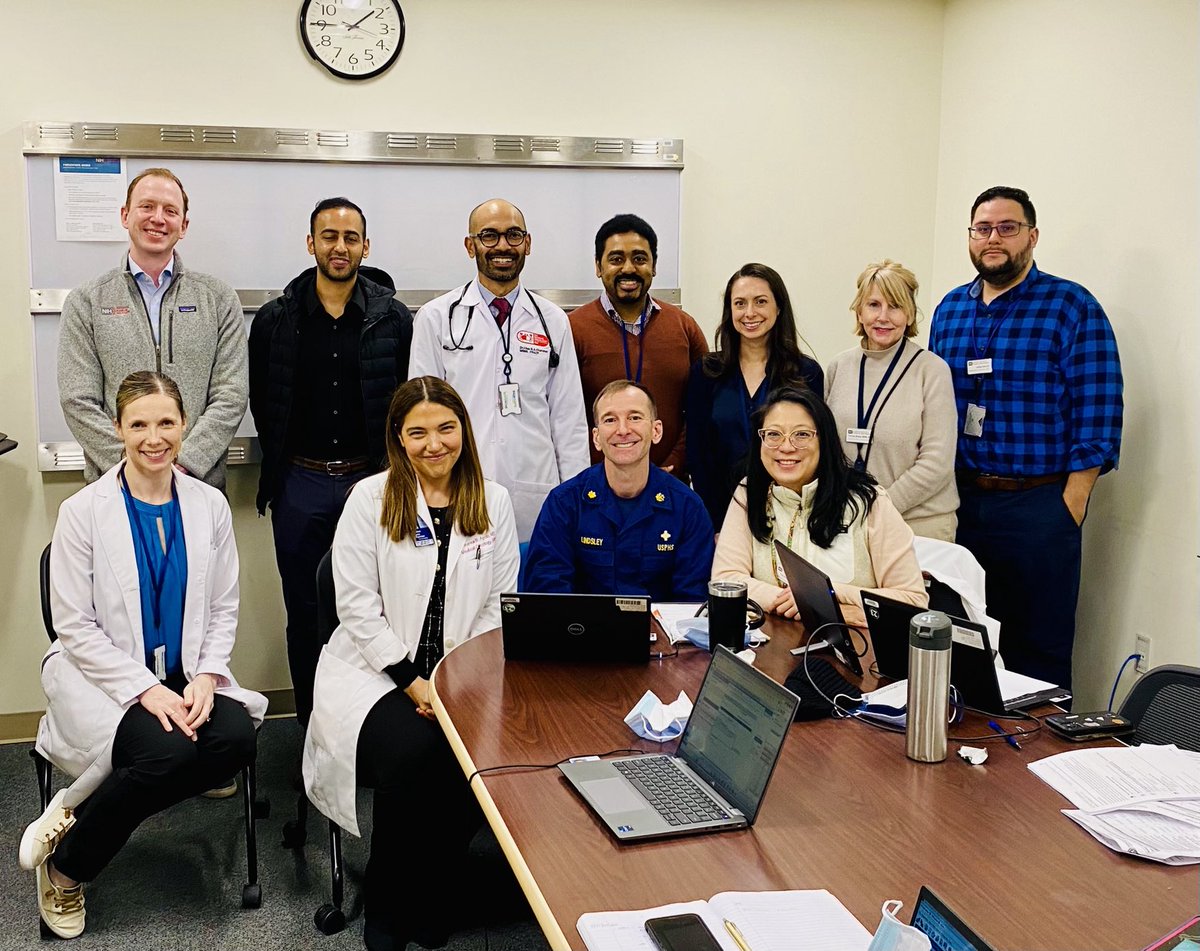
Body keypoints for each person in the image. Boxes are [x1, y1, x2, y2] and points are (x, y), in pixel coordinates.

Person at [19, 371, 267, 939]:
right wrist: (145, 689)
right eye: (138, 424)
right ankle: (67, 869)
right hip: (105, 679)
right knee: (168, 756)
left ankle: (77, 814)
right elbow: (74, 627)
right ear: (117, 429)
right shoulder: (84, 511)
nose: (153, 438)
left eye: (166, 423)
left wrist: (206, 675)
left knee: (234, 738)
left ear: (184, 426)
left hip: (185, 675)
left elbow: (224, 606)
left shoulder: (209, 505)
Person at [303, 376, 519, 951]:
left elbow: (497, 609)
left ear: (464, 432)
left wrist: (453, 685)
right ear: (398, 439)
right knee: (416, 754)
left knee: (485, 756)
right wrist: (413, 682)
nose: (434, 444)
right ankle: (389, 902)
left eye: (446, 428)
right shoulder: (370, 499)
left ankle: (432, 889)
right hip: (374, 678)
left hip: (464, 677)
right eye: (417, 432)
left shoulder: (491, 501)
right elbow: (355, 608)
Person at [929, 186, 1123, 690]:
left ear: (1032, 236)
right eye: (982, 228)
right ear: (970, 237)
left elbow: (1099, 410)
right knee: (962, 642)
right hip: (961, 502)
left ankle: (1039, 765)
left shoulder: (1071, 307)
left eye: (1007, 228)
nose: (993, 238)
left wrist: (1072, 501)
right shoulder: (949, 310)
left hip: (1039, 506)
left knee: (1038, 649)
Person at [249, 197, 412, 726]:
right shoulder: (277, 319)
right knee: (305, 610)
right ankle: (312, 727)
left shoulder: (393, 319)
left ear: (366, 246)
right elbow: (262, 398)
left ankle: (368, 726)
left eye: (350, 238)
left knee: (375, 610)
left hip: (373, 483)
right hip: (300, 481)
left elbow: (409, 399)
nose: (339, 247)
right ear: (311, 243)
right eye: (328, 236)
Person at [408, 198, 589, 542]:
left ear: (528, 243)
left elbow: (569, 422)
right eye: (489, 236)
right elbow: (420, 416)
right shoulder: (437, 318)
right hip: (459, 489)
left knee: (532, 589)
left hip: (537, 496)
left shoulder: (553, 321)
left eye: (513, 235)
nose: (502, 246)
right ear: (470, 245)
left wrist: (575, 500)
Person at [57, 168, 247, 489]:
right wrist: (134, 465)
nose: (158, 218)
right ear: (125, 215)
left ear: (183, 226)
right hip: (115, 486)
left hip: (198, 486)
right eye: (147, 206)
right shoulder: (87, 301)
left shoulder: (218, 299)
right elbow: (78, 399)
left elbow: (231, 394)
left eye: (170, 211)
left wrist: (184, 466)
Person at [711, 386, 926, 629]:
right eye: (773, 434)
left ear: (824, 440)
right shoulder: (749, 493)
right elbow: (726, 580)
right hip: (771, 648)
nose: (786, 447)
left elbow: (914, 603)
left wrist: (830, 598)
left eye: (801, 435)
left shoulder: (868, 501)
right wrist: (795, 603)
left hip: (855, 653)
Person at [525, 380, 715, 601]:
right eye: (610, 420)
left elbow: (692, 602)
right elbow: (547, 594)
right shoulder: (564, 503)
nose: (623, 430)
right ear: (596, 438)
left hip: (661, 634)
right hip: (583, 632)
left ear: (656, 430)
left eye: (635, 417)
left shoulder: (688, 508)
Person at [824, 260, 959, 541]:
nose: (883, 317)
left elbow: (937, 463)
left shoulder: (931, 370)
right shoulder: (839, 367)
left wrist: (878, 509)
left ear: (909, 315)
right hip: (849, 520)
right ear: (859, 312)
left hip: (919, 525)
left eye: (895, 306)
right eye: (873, 305)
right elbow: (825, 448)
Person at [571, 213, 708, 480]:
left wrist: (676, 461)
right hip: (597, 484)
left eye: (639, 258)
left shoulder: (684, 327)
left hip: (670, 482)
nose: (628, 269)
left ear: (654, 266)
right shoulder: (572, 329)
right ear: (598, 266)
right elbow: (564, 414)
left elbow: (704, 405)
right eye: (616, 259)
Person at [687, 263, 824, 526]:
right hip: (721, 514)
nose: (750, 313)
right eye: (740, 303)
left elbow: (811, 451)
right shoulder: (706, 373)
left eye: (760, 301)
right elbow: (698, 455)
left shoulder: (806, 374)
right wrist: (716, 523)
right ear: (730, 311)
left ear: (778, 307)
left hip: (788, 515)